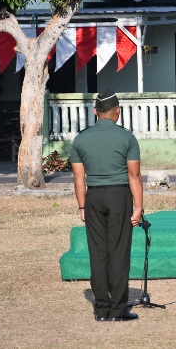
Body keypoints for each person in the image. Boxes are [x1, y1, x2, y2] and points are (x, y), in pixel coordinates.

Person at [70, 89, 143, 322]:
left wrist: (82, 206)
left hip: (93, 197)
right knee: (119, 251)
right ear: (118, 112)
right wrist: (139, 207)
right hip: (120, 196)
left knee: (98, 253)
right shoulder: (127, 138)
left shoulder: (81, 139)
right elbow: (134, 175)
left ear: (95, 112)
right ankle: (118, 309)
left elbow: (78, 178)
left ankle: (101, 310)